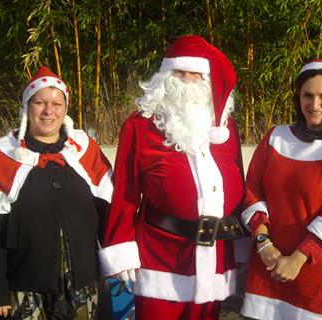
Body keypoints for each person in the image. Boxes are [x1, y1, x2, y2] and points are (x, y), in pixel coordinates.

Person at [98, 35, 245, 320]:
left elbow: (238, 181)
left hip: (215, 256)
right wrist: (120, 247)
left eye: (196, 73)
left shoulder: (226, 129)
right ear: (165, 76)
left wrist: (242, 242)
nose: (188, 80)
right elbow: (126, 193)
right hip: (160, 258)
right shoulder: (140, 126)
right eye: (180, 72)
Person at [0, 66, 113, 319]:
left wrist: (117, 259)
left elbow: (107, 209)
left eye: (56, 103)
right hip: (24, 285)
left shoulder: (84, 150)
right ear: (26, 107)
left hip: (82, 283)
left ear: (65, 109)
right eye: (39, 102)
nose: (48, 111)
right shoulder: (2, 155)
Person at [240, 59, 322, 319]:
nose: (315, 105)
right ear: (298, 96)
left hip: (315, 276)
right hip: (267, 265)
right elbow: (252, 191)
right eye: (308, 95)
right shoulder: (275, 136)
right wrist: (263, 244)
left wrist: (297, 259)